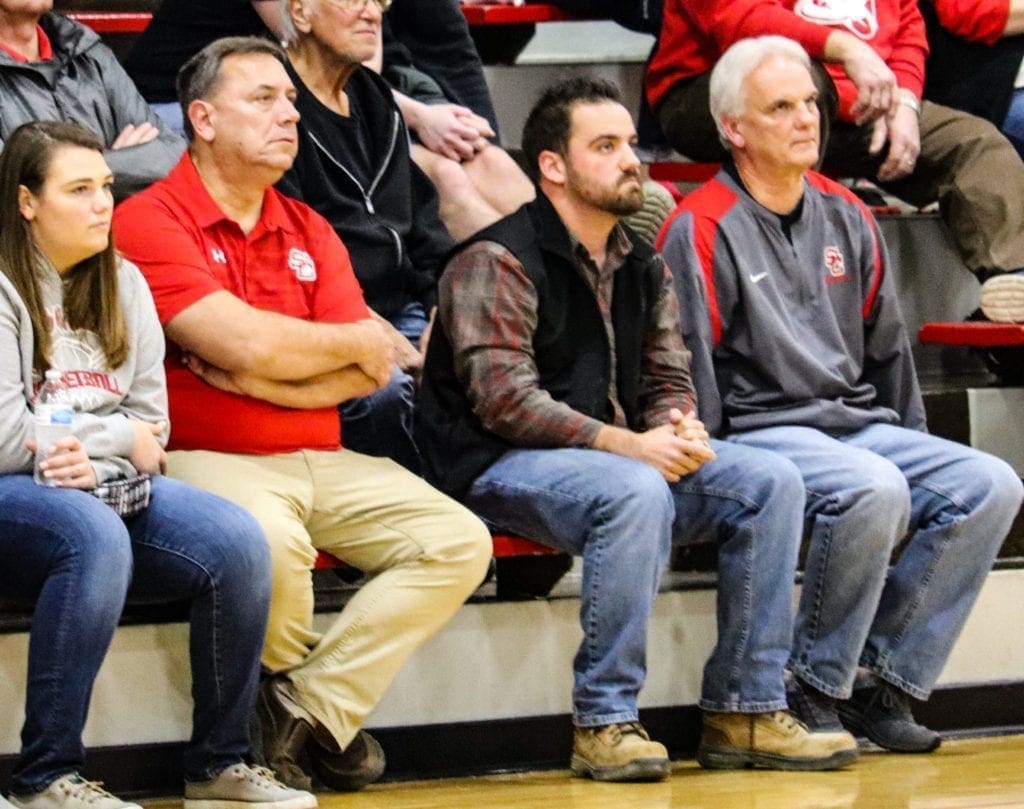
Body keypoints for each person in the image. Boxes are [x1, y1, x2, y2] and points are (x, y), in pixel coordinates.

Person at [417, 76, 859, 780]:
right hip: (492, 466)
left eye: (630, 142)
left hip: (611, 461)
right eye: (607, 146)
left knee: (770, 479)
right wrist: (633, 446)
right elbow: (506, 403)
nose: (633, 160)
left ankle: (745, 708)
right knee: (634, 491)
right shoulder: (496, 258)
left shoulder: (640, 260)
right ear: (552, 167)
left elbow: (667, 372)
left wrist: (676, 426)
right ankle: (605, 721)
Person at [113, 37, 492, 791]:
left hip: (324, 452)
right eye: (262, 99)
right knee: (272, 540)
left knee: (456, 539)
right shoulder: (150, 220)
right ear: (203, 119)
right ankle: (285, 730)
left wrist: (274, 369)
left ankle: (302, 710)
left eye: (289, 100)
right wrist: (330, 344)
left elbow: (365, 366)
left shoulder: (308, 224)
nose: (288, 114)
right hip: (205, 453)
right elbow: (239, 339)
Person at [657, 36, 1024, 755]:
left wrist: (920, 449)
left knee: (989, 482)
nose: (806, 120)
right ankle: (810, 688)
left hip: (858, 423)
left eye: (811, 105)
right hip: (756, 429)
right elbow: (685, 364)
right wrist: (707, 468)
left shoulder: (848, 215)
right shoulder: (697, 225)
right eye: (781, 107)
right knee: (873, 485)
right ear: (733, 128)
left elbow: (888, 354)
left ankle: (883, 684)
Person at [0, 121, 314, 809]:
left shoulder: (126, 282)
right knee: (90, 533)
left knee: (237, 540)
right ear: (26, 201)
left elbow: (154, 430)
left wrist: (99, 445)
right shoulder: (3, 286)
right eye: (78, 189)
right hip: (14, 492)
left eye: (106, 186)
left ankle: (219, 763)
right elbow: (5, 437)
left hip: (104, 483)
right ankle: (44, 777)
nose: (102, 204)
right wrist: (113, 439)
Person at [646, 0, 1024, 324]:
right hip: (711, 90)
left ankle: (1014, 285)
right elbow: (740, 22)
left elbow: (908, 21)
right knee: (798, 82)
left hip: (858, 98)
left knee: (972, 143)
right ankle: (794, 296)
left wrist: (906, 99)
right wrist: (847, 49)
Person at [0, 0, 183, 201]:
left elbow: (171, 154)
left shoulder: (87, 49)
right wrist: (127, 163)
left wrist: (77, 176)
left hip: (117, 227)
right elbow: (11, 186)